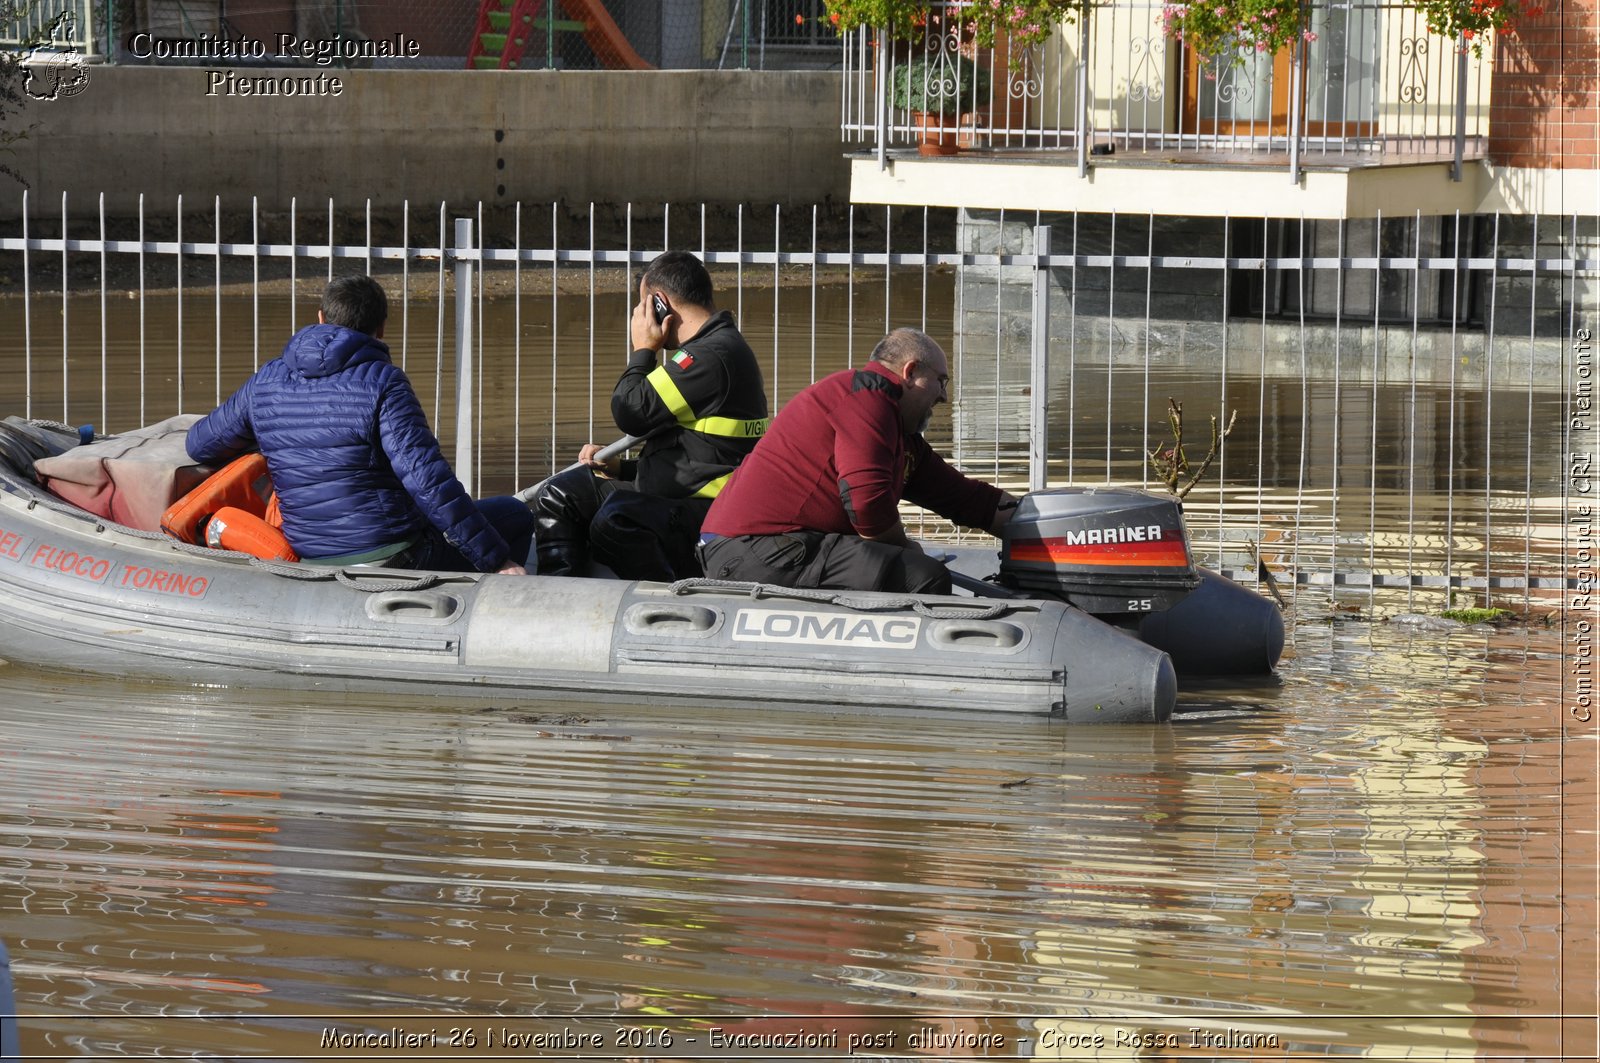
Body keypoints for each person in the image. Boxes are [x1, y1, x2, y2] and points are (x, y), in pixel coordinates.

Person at [186, 275, 531, 574]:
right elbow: (427, 481)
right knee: (514, 514)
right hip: (392, 555)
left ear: (320, 318)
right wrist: (497, 560)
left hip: (309, 554)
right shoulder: (384, 382)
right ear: (380, 329)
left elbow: (200, 445)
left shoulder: (266, 380)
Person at [697, 328, 1020, 595]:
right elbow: (868, 506)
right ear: (910, 372)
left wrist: (1037, 522)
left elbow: (966, 498)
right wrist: (906, 546)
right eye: (941, 381)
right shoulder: (866, 398)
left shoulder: (900, 436)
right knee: (922, 576)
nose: (944, 396)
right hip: (751, 550)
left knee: (909, 566)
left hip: (783, 547)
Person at [531, 250, 769, 581]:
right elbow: (696, 453)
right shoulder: (711, 349)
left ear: (659, 303)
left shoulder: (708, 356)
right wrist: (621, 467)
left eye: (643, 306)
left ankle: (668, 604)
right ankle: (559, 600)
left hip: (706, 507)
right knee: (561, 494)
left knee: (618, 520)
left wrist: (643, 349)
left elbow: (631, 410)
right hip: (680, 493)